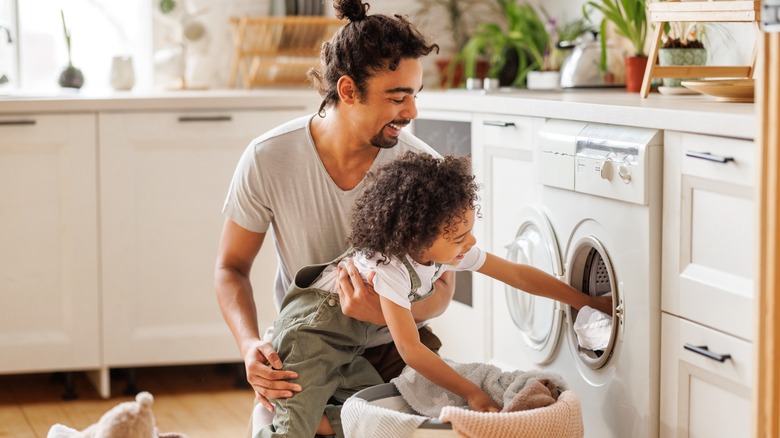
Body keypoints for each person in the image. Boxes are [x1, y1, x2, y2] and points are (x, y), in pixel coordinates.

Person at [214, 0, 449, 435]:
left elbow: (444, 291)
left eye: (414, 95)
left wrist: (384, 313)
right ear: (347, 90)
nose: (412, 112)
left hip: (394, 347)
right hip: (307, 344)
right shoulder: (269, 158)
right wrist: (250, 346)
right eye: (398, 97)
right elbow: (231, 268)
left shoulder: (421, 169)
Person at [262, 152, 613, 437]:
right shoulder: (390, 267)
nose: (470, 243)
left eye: (469, 231)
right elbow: (411, 350)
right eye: (459, 237)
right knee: (291, 432)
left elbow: (517, 274)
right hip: (306, 339)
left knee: (374, 415)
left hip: (348, 347)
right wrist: (472, 393)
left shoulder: (445, 252)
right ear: (417, 239)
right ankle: (294, 417)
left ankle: (314, 418)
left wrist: (586, 301)